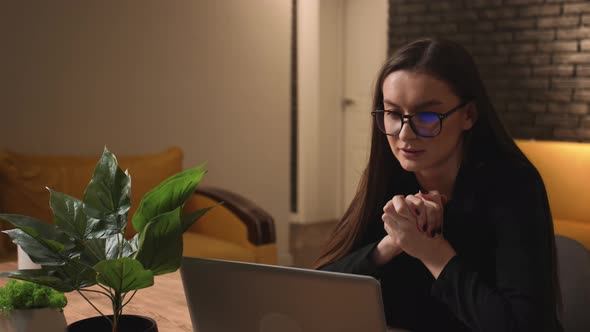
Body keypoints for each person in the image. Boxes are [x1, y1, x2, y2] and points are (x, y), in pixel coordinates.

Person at [313, 38, 562, 332]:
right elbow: (317, 292)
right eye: (393, 114)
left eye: (427, 116)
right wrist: (391, 243)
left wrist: (431, 251)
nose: (405, 134)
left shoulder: (514, 185)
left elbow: (523, 326)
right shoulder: (389, 175)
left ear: (468, 115)